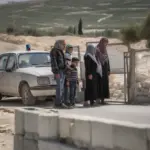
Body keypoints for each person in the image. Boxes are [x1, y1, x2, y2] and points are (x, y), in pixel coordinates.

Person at [50, 40, 67, 108]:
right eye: (63, 45)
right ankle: (58, 103)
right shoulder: (54, 51)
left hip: (62, 71)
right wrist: (56, 72)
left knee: (61, 88)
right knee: (59, 87)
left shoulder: (60, 51)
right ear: (59, 44)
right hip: (58, 71)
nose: (64, 46)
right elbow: (54, 62)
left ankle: (61, 102)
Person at [96, 37, 110, 104]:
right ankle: (99, 99)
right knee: (100, 84)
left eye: (107, 42)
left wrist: (108, 69)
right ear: (102, 42)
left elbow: (107, 60)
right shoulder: (97, 49)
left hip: (105, 69)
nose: (106, 44)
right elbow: (95, 59)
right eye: (105, 42)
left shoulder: (105, 49)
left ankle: (103, 99)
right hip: (99, 70)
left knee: (104, 84)